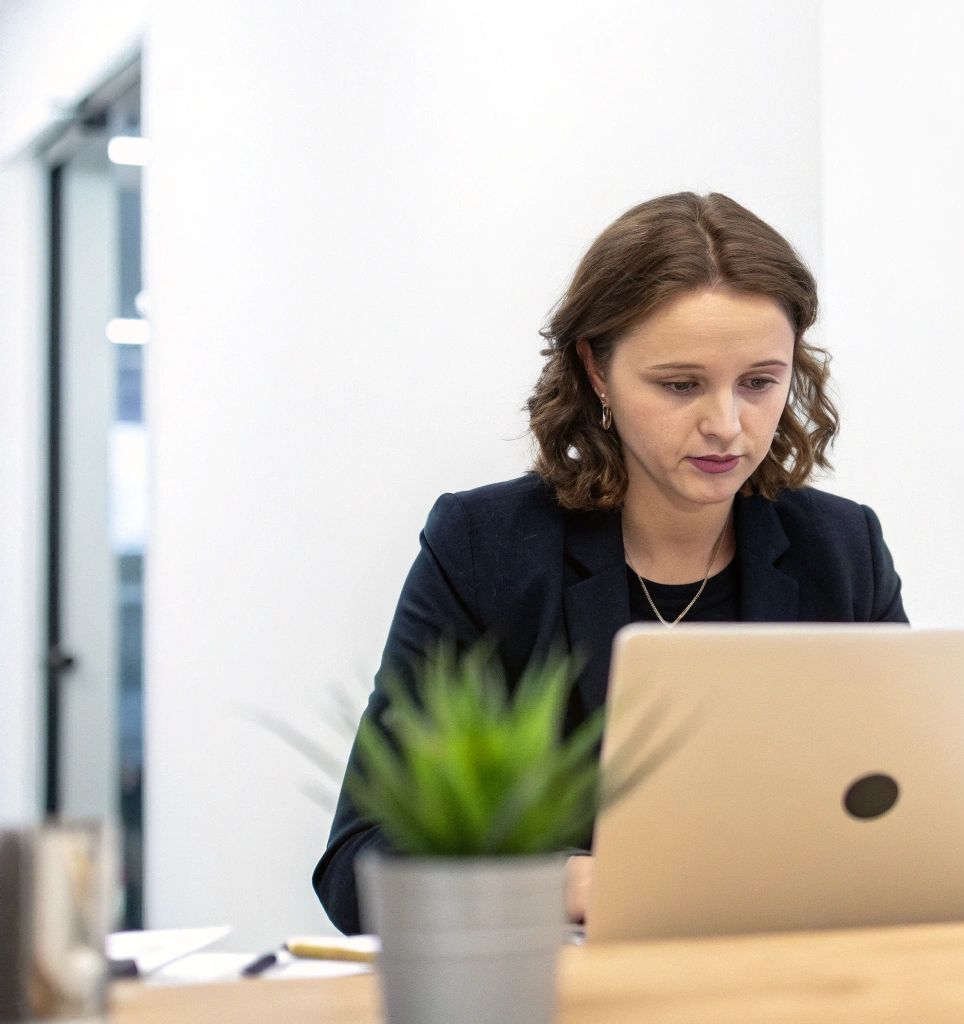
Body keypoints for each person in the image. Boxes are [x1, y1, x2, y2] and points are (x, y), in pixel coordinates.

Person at [312, 192, 908, 934]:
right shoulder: (487, 547)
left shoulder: (842, 550)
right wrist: (574, 883)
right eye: (680, 385)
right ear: (596, 370)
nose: (727, 425)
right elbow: (358, 868)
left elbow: (901, 820)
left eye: (759, 382)